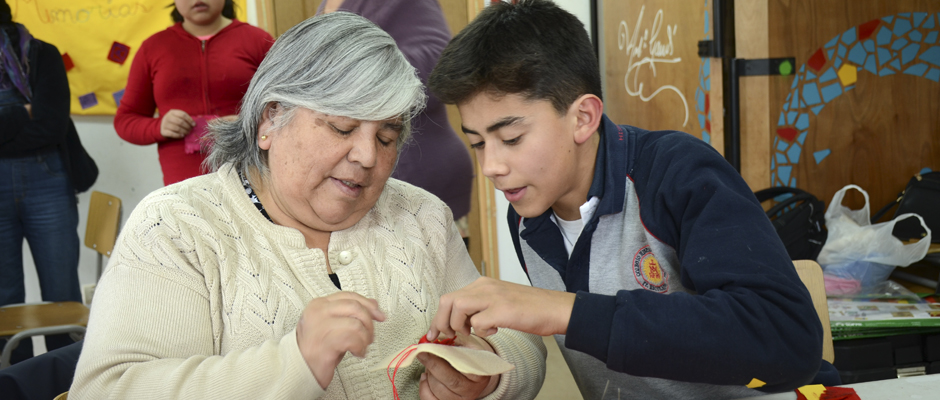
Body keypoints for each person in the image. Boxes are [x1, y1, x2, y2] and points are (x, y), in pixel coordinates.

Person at [71, 12, 545, 400]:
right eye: (342, 128)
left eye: (387, 137)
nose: (368, 156)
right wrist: (294, 361)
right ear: (269, 121)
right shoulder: (177, 227)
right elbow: (107, 390)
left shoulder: (422, 215)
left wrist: (485, 373)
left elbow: (516, 337)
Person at [426, 1, 830, 398]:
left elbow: (788, 337)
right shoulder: (527, 213)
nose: (491, 167)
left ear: (583, 118)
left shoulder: (676, 172)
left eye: (511, 138)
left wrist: (564, 310)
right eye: (477, 143)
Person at [319, 0, 475, 235]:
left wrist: (352, 70)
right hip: (364, 181)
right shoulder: (328, 4)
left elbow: (441, 64)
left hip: (419, 174)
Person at [0, 0, 82, 363]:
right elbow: (38, 122)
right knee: (3, 298)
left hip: (47, 178)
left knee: (61, 295)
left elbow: (51, 125)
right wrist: (23, 113)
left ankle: (65, 379)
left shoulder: (43, 54)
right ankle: (12, 381)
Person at [114, 0, 272, 186]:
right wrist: (159, 126)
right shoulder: (153, 48)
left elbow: (287, 110)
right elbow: (126, 121)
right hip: (182, 186)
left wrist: (247, 124)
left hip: (252, 175)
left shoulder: (258, 41)